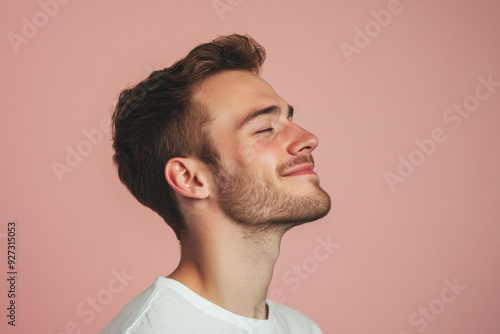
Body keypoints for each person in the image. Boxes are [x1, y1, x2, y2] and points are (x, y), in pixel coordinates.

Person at [101, 34, 331, 334]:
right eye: (264, 128)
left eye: (289, 119)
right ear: (191, 178)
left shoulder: (303, 329)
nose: (308, 139)